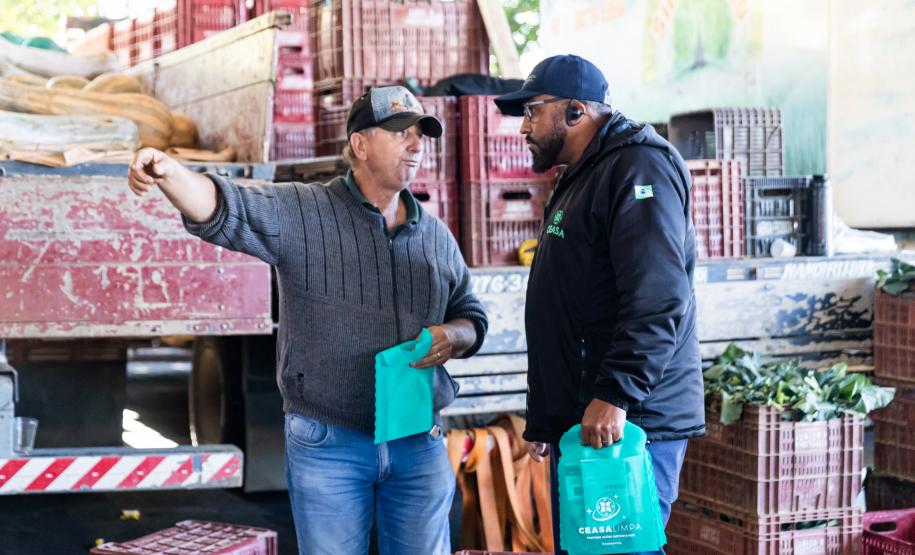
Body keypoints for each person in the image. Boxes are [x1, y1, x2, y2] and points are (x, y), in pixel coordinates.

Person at [127, 86, 488, 555]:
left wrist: (453, 335)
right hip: (329, 442)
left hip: (418, 440)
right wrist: (169, 172)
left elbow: (471, 315)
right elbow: (223, 206)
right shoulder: (302, 211)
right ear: (359, 145)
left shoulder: (435, 234)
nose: (417, 145)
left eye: (421, 134)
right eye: (402, 134)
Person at [494, 54, 704, 555]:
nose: (523, 127)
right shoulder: (582, 173)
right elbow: (567, 307)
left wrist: (616, 394)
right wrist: (547, 416)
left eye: (532, 111)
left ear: (575, 111)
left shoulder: (638, 166)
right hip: (587, 421)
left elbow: (658, 297)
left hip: (630, 424)